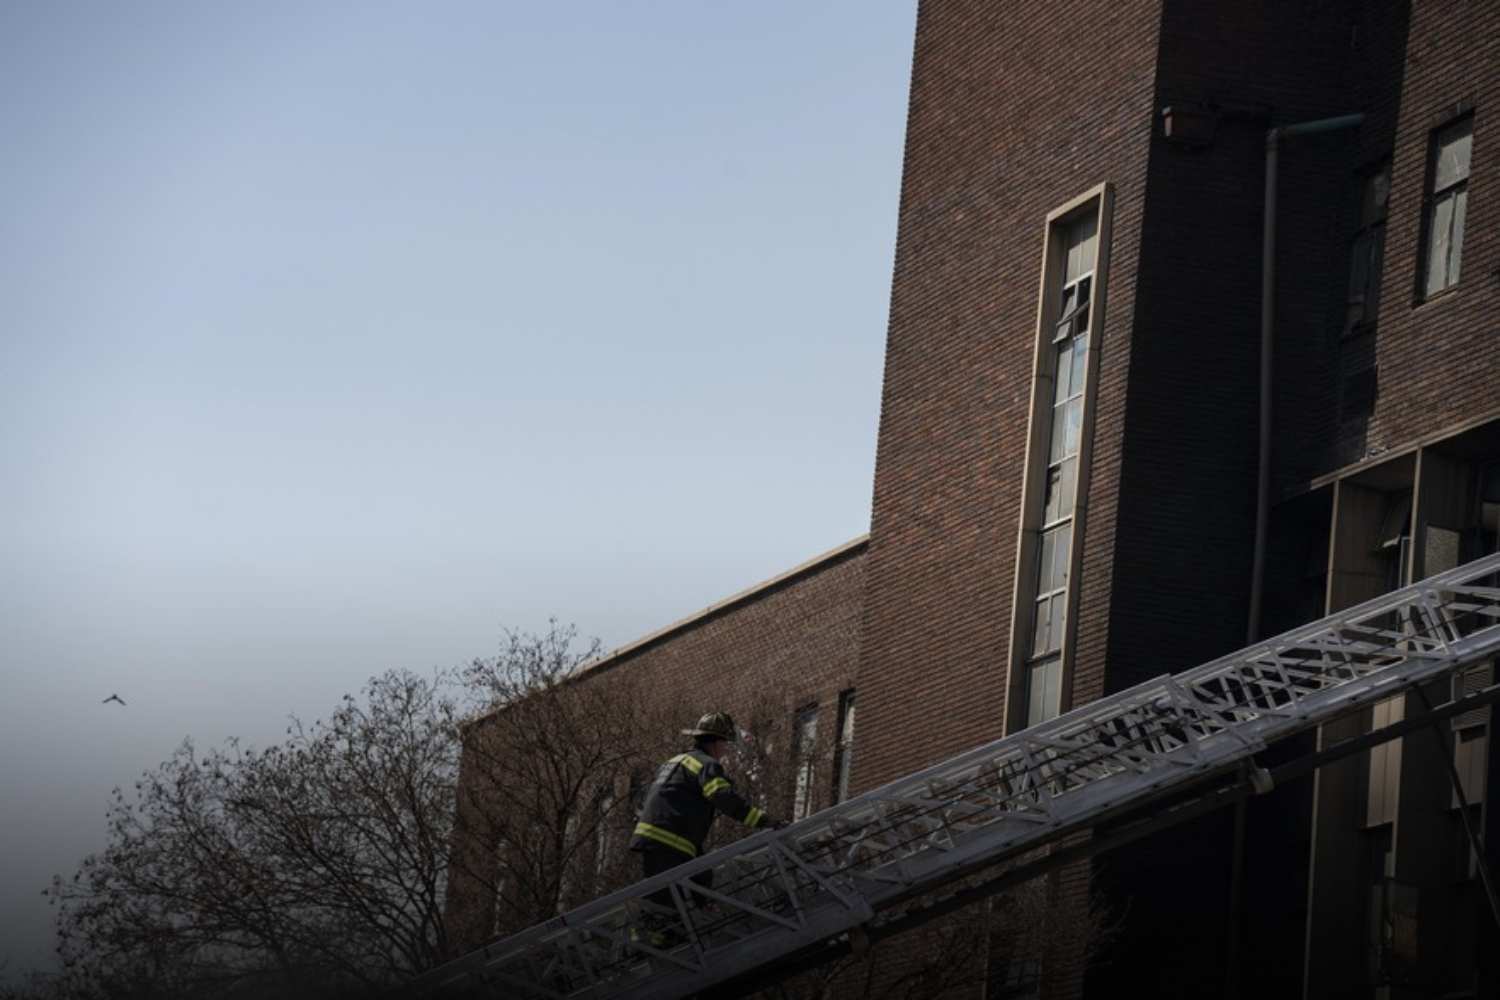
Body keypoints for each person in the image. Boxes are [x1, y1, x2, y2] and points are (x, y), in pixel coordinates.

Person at [630, 712, 780, 911]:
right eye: (725, 744)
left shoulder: (675, 761)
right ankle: (663, 937)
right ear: (715, 742)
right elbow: (723, 798)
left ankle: (670, 932)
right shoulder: (706, 765)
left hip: (657, 836)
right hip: (671, 838)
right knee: (674, 899)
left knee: (689, 884)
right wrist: (764, 820)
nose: (725, 750)